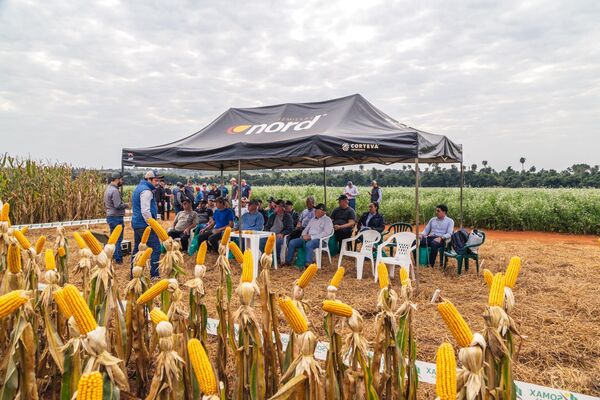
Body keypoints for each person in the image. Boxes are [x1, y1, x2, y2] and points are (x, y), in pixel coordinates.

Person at [131, 170, 163, 278]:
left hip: (137, 223)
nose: (157, 183)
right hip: (145, 225)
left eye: (158, 180)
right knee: (156, 248)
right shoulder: (147, 191)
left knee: (137, 249)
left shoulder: (139, 188)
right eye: (155, 180)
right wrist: (152, 224)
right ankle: (154, 275)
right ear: (149, 179)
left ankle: (133, 274)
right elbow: (145, 211)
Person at [285, 203, 333, 268]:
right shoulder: (313, 219)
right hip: (308, 238)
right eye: (315, 210)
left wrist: (311, 237)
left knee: (309, 244)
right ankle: (288, 261)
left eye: (317, 210)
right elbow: (306, 229)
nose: (315, 211)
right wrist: (303, 235)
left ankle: (308, 264)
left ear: (323, 212)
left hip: (321, 241)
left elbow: (326, 233)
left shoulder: (327, 220)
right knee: (292, 242)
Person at [104, 172, 129, 264]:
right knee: (118, 239)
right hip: (116, 217)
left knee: (113, 238)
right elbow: (117, 205)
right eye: (121, 179)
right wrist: (126, 205)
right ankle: (118, 259)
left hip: (110, 216)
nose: (122, 181)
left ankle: (114, 255)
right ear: (117, 179)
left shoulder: (108, 189)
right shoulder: (115, 191)